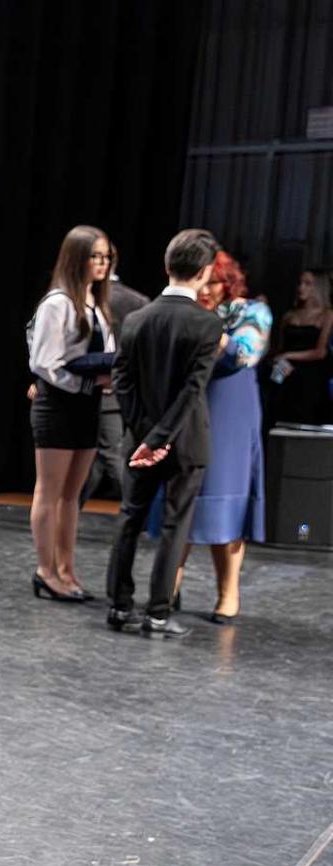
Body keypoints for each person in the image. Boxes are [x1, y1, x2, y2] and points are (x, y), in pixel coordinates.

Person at [105, 228, 222, 638]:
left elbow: (122, 381)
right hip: (185, 443)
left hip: (139, 441)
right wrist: (160, 439)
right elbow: (193, 390)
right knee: (175, 526)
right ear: (205, 272)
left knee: (129, 519)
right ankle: (157, 614)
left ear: (167, 265)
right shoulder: (208, 324)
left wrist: (146, 435)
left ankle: (119, 607)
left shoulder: (137, 318)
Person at [164, 250, 268, 623]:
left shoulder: (252, 311)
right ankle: (168, 586)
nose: (206, 290)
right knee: (181, 500)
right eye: (202, 281)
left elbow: (245, 353)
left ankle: (228, 592)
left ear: (229, 281)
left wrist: (208, 330)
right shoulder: (187, 310)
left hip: (232, 414)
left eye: (214, 282)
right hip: (189, 408)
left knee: (225, 498)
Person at [25, 224, 114, 602]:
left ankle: (67, 570)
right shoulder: (57, 303)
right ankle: (46, 572)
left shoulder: (97, 303)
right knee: (49, 492)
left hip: (87, 404)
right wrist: (87, 380)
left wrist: (106, 378)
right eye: (95, 256)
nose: (102, 263)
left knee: (71, 496)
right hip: (58, 404)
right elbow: (44, 362)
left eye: (106, 257)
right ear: (76, 257)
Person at [82, 250, 151, 504]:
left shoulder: (83, 298)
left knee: (108, 454)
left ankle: (138, 508)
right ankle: (69, 507)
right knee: (97, 456)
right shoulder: (139, 301)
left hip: (92, 388)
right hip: (121, 390)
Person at [270, 270, 331, 426]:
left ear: (318, 288)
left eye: (307, 284)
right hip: (285, 373)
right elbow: (279, 348)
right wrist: (278, 362)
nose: (301, 288)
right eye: (299, 283)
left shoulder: (327, 315)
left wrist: (288, 356)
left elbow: (320, 352)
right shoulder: (289, 316)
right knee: (279, 417)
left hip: (311, 378)